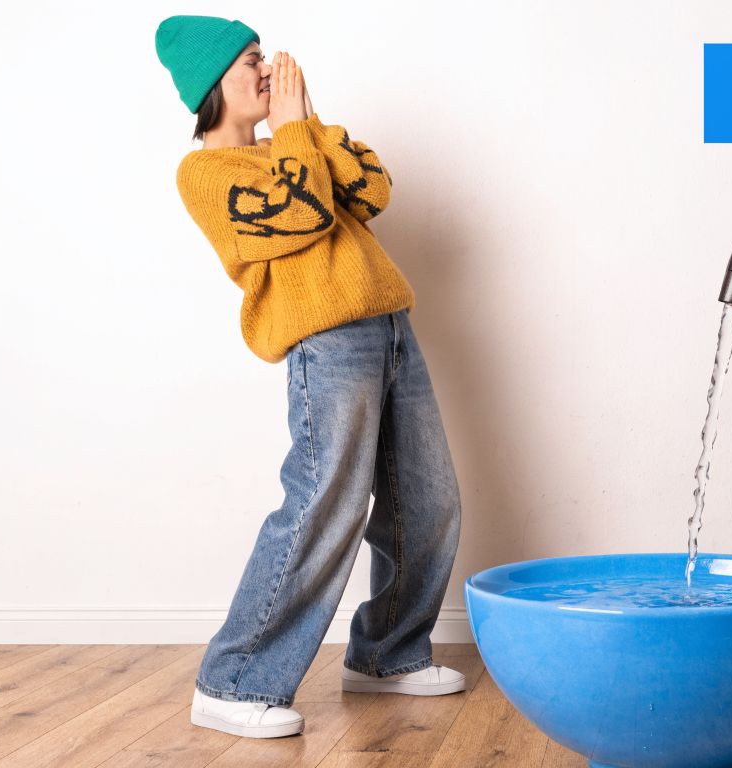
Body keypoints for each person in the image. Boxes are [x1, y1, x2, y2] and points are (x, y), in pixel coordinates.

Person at [155, 15, 465, 739]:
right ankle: (233, 680)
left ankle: (387, 653)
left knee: (429, 500)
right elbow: (304, 211)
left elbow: (373, 189)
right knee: (325, 503)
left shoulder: (297, 140)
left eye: (265, 57)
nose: (268, 71)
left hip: (390, 327)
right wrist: (295, 130)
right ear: (213, 84)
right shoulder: (205, 173)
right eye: (251, 61)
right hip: (326, 345)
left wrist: (308, 122)